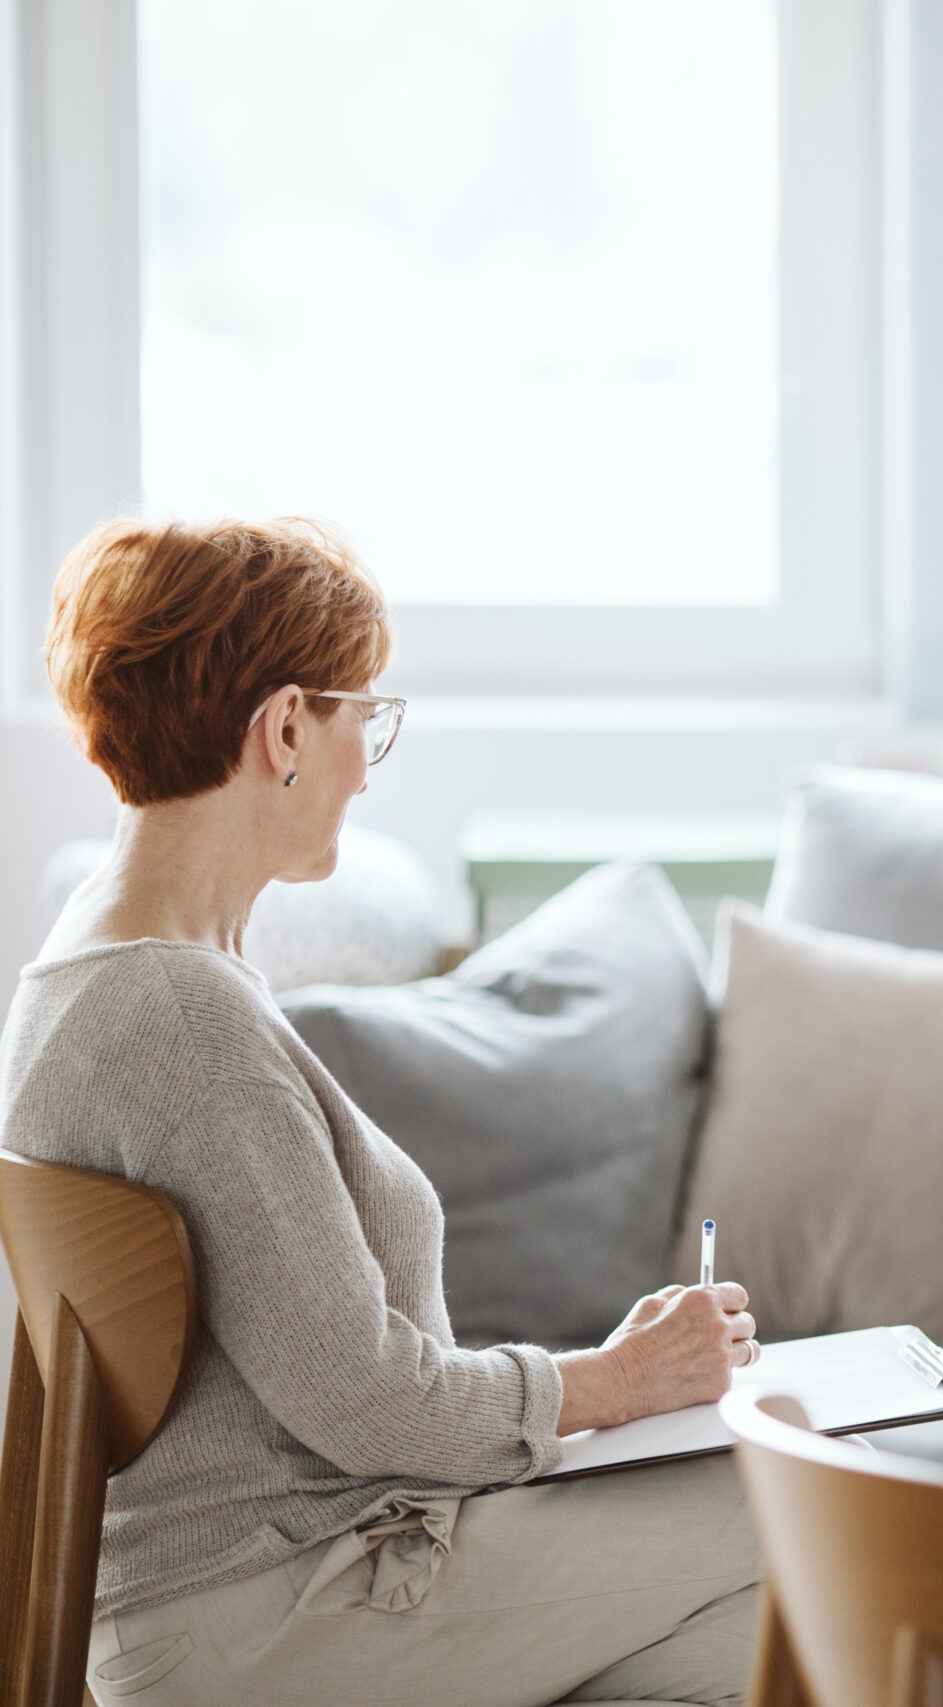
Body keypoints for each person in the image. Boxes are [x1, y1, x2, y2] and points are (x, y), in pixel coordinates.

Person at [14, 518, 764, 1707]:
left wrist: (606, 1386)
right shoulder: (182, 1018)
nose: (368, 760)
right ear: (284, 730)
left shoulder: (98, 971)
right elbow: (366, 1399)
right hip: (280, 1608)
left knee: (744, 1649)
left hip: (259, 1591)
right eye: (367, 715)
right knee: (805, 1499)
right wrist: (614, 1382)